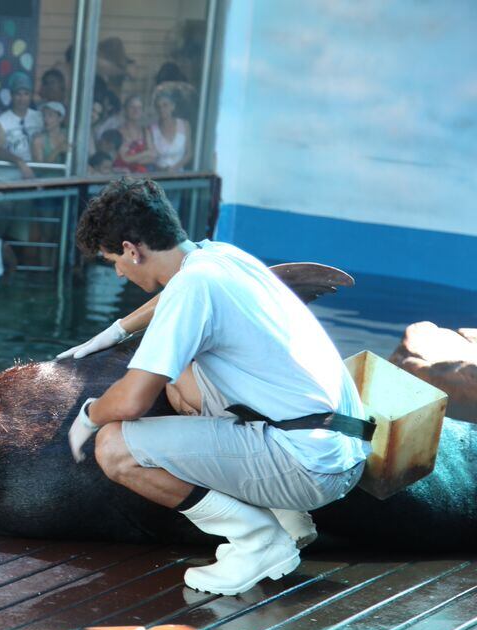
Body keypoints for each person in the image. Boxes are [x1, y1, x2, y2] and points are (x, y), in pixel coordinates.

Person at [61, 178, 370, 596]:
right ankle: (287, 515)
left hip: (311, 466)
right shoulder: (220, 256)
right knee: (181, 385)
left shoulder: (193, 287)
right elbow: (173, 296)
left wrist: (88, 416)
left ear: (133, 250)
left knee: (114, 447)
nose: (117, 271)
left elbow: (133, 400)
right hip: (345, 444)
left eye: (113, 259)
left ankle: (257, 541)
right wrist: (117, 331)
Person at [0, 72, 42, 182]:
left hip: (30, 180)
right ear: (11, 95)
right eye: (18, 94)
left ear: (31, 95)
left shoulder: (39, 117)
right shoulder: (2, 121)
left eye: (26, 94)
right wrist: (19, 162)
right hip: (4, 180)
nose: (22, 98)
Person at [150, 91, 192, 172]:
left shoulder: (184, 125)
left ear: (172, 106)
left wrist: (174, 168)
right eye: (158, 106)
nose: (161, 109)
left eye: (165, 105)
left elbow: (189, 153)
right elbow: (150, 157)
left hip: (179, 175)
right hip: (158, 174)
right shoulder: (151, 129)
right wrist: (162, 169)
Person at [113, 95, 155, 174]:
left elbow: (152, 156)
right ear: (125, 110)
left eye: (139, 108)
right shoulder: (118, 132)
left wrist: (131, 159)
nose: (136, 111)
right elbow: (124, 159)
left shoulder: (145, 131)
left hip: (142, 178)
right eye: (132, 107)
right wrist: (146, 153)